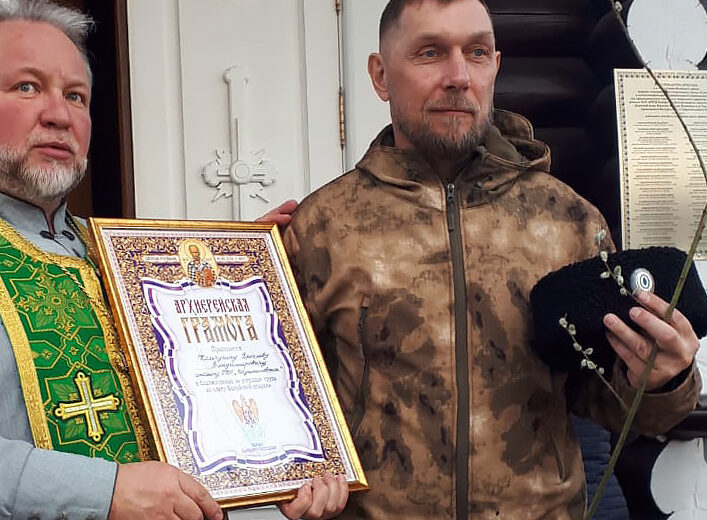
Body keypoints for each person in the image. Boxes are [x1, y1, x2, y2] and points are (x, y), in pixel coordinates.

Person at [0, 2, 342, 519]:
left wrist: (235, 270)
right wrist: (104, 492)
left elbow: (193, 412)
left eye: (75, 96)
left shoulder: (128, 259)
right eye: (27, 87)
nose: (59, 114)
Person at [281, 0, 702, 518]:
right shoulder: (322, 228)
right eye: (430, 52)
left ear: (495, 67)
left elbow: (607, 398)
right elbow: (284, 402)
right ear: (381, 75)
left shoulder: (567, 220)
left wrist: (663, 379)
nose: (459, 76)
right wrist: (296, 476)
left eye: (476, 52)